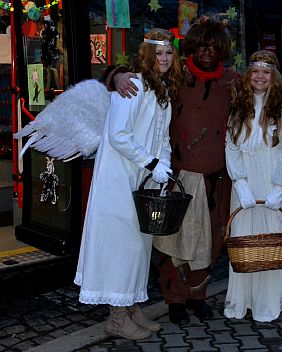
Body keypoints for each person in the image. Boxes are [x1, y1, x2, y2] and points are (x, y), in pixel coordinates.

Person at [109, 18, 282, 325]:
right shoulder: (176, 74)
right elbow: (139, 70)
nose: (208, 52)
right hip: (181, 177)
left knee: (210, 242)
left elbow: (265, 82)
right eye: (202, 46)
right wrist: (117, 76)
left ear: (221, 48)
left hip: (219, 180)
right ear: (193, 47)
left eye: (214, 46)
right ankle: (175, 300)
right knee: (178, 242)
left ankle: (198, 296)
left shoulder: (232, 80)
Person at [74, 28, 182, 340]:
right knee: (121, 246)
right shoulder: (132, 85)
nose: (163, 59)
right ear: (147, 55)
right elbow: (118, 135)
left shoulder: (162, 89)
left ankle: (133, 307)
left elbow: (162, 136)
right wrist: (152, 163)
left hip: (142, 178)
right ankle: (117, 318)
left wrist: (162, 165)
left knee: (139, 245)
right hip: (119, 178)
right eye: (158, 53)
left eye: (168, 53)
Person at [224, 50, 282, 322]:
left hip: (274, 183)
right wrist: (240, 183)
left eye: (266, 72)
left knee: (272, 240)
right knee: (246, 240)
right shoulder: (239, 107)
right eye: (255, 71)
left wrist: (279, 188)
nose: (259, 77)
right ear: (248, 76)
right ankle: (242, 300)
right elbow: (231, 147)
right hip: (246, 182)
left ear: (274, 77)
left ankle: (267, 302)